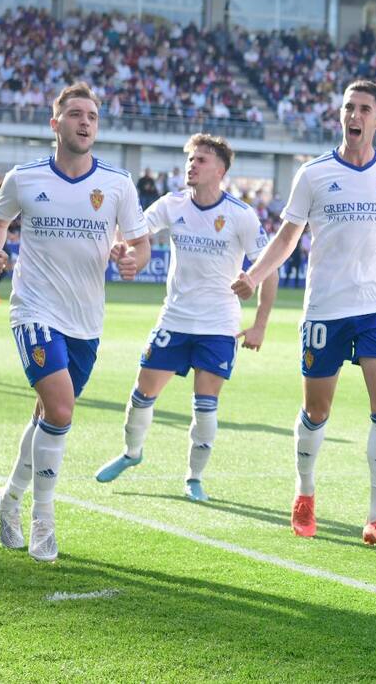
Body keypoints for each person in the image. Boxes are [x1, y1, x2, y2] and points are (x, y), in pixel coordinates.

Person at [231, 80, 376, 554]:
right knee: (317, 410)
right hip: (326, 308)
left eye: (363, 109)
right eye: (348, 108)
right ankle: (304, 493)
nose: (354, 116)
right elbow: (287, 237)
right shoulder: (313, 174)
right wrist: (254, 276)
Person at [0, 83, 150, 562]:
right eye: (75, 114)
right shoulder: (24, 178)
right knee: (60, 410)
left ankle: (9, 497)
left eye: (92, 116)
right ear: (55, 124)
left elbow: (140, 244)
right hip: (34, 310)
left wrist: (132, 259)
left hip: (86, 321)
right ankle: (44, 519)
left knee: (46, 414)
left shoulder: (117, 184)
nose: (85, 122)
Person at [94, 134, 278, 501]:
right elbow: (133, 231)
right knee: (141, 394)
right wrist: (120, 244)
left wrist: (259, 324)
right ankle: (132, 453)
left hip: (219, 326)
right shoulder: (172, 204)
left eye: (201, 160)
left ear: (221, 171)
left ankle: (194, 478)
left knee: (205, 406)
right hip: (174, 320)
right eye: (190, 159)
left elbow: (268, 270)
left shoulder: (241, 215)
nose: (192, 165)